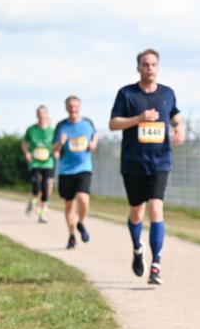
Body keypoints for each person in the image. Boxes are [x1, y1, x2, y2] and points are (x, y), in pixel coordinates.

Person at [109, 48, 185, 285]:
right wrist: (138, 118)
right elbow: (113, 123)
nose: (149, 68)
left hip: (160, 161)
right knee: (137, 212)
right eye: (145, 64)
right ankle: (137, 248)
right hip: (133, 162)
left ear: (158, 67)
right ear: (138, 68)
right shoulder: (126, 94)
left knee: (155, 209)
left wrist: (180, 128)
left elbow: (175, 115)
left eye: (153, 64)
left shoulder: (167, 93)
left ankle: (156, 265)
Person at [53, 96, 97, 249]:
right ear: (66, 107)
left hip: (84, 168)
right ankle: (71, 236)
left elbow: (95, 135)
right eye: (70, 106)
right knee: (69, 205)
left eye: (75, 106)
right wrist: (60, 143)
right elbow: (53, 150)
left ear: (80, 107)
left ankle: (81, 223)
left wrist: (93, 144)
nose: (73, 109)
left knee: (83, 199)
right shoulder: (61, 126)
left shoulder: (87, 123)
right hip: (66, 171)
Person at [21, 105, 56, 223]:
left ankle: (42, 213)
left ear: (47, 114)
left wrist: (57, 152)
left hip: (48, 162)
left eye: (43, 113)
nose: (41, 115)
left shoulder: (52, 131)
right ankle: (32, 202)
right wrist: (26, 153)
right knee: (36, 187)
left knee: (45, 188)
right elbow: (24, 143)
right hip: (35, 163)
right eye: (39, 113)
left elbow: (56, 145)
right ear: (37, 115)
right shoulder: (31, 130)